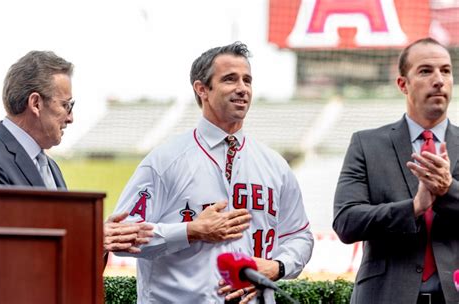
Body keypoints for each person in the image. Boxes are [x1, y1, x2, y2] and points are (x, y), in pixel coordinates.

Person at [112, 41, 314, 303]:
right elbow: (122, 237)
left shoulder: (275, 165)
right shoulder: (164, 161)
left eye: (247, 80)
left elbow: (300, 235)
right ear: (202, 89)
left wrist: (277, 267)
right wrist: (191, 230)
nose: (242, 88)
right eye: (230, 79)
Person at [0, 50, 152, 257]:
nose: (70, 117)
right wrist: (90, 237)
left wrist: (99, 241)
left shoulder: (50, 166)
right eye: (66, 105)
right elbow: (5, 255)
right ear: (35, 103)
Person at [333, 37, 459, 304]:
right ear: (403, 84)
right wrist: (413, 208)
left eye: (446, 71)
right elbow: (346, 221)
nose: (439, 79)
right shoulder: (366, 144)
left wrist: (448, 190)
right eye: (425, 71)